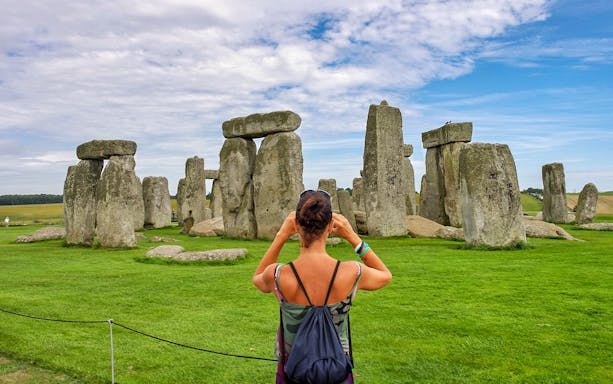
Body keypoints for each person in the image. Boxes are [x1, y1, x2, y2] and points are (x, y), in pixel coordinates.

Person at [253, 190, 392, 383]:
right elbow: (385, 275)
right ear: (330, 226)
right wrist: (353, 237)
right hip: (336, 367)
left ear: (296, 225)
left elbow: (258, 277)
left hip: (293, 368)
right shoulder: (352, 272)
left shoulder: (278, 275)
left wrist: (281, 235)